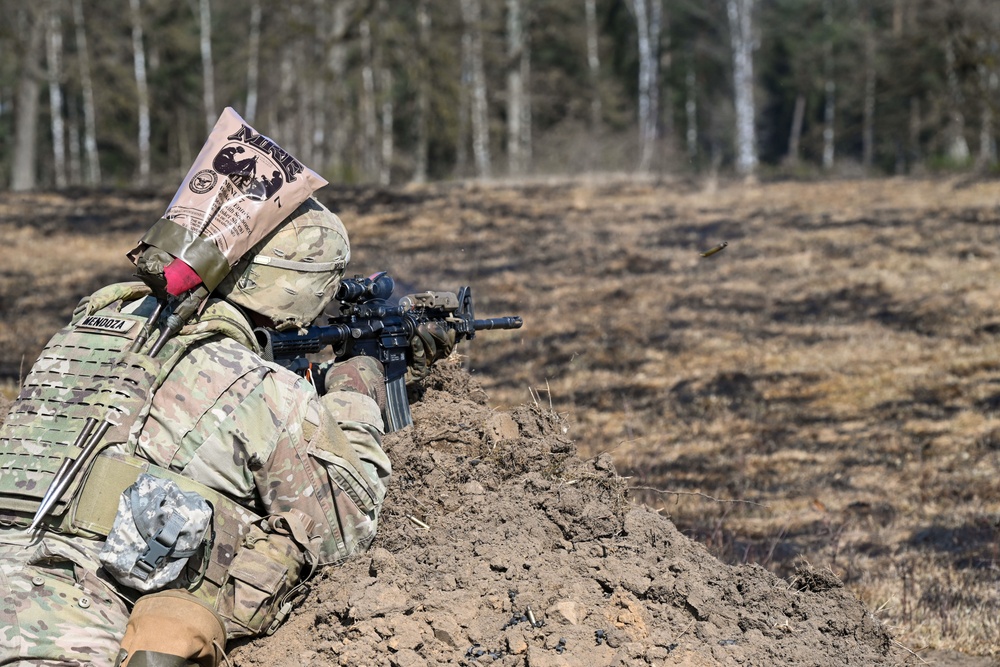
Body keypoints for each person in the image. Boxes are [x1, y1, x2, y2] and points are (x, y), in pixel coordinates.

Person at [0, 197, 397, 667]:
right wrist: (353, 397)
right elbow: (346, 526)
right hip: (66, 631)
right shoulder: (260, 387)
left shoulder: (83, 330)